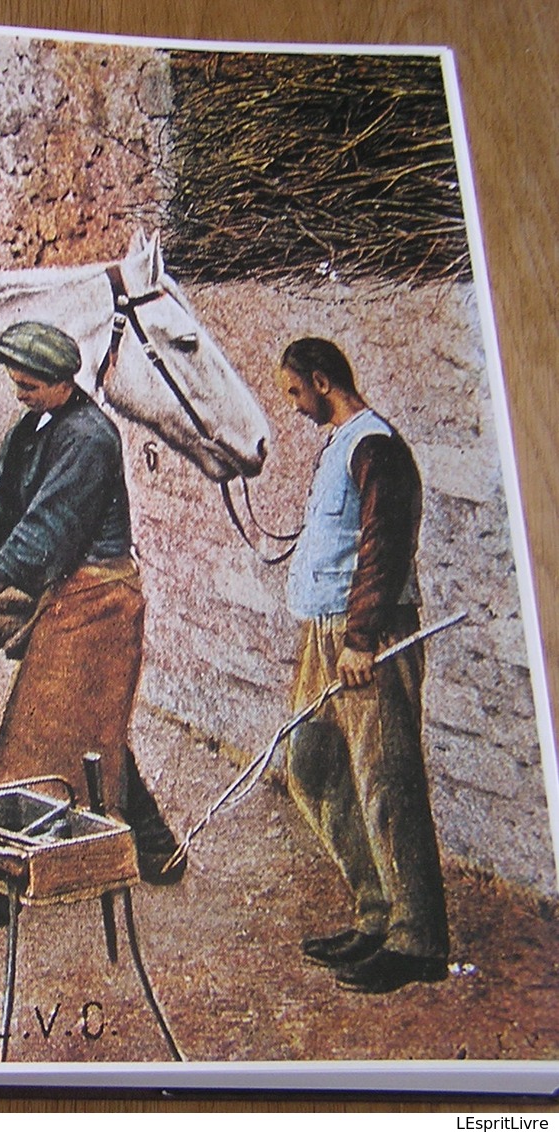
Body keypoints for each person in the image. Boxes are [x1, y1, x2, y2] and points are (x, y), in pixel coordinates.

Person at [0, 320, 182, 931]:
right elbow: (3, 500)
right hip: (67, 590)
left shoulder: (89, 439)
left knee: (40, 737)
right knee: (88, 730)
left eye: (28, 386)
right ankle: (157, 847)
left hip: (99, 597)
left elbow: (47, 526)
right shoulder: (37, 426)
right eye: (16, 384)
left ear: (60, 382)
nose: (19, 394)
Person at [278, 337, 448, 994]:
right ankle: (376, 913)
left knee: (387, 781)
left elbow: (384, 544)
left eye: (296, 391)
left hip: (365, 637)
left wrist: (362, 637)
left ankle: (418, 939)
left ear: (322, 380)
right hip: (324, 634)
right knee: (312, 768)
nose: (294, 406)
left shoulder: (375, 446)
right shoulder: (341, 443)